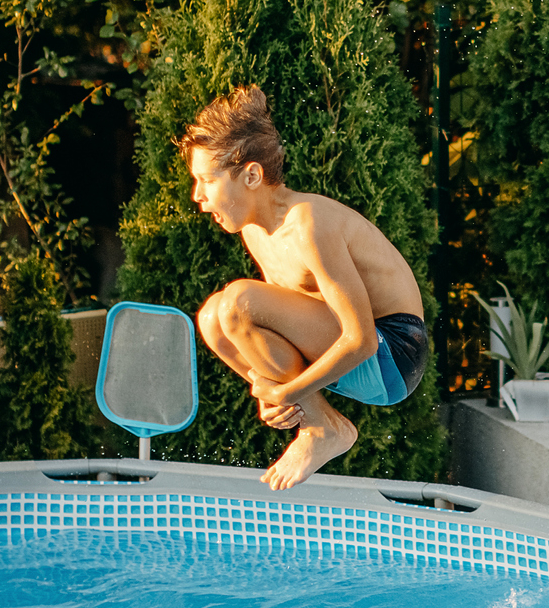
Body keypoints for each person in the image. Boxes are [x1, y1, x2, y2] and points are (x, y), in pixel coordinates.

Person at [182, 86, 428, 490]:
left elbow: (362, 340)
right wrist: (275, 389)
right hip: (348, 351)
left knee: (237, 303)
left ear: (252, 175)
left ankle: (319, 429)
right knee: (212, 318)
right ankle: (320, 420)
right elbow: (273, 329)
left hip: (393, 354)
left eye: (206, 180)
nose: (198, 196)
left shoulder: (308, 224)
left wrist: (288, 392)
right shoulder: (255, 232)